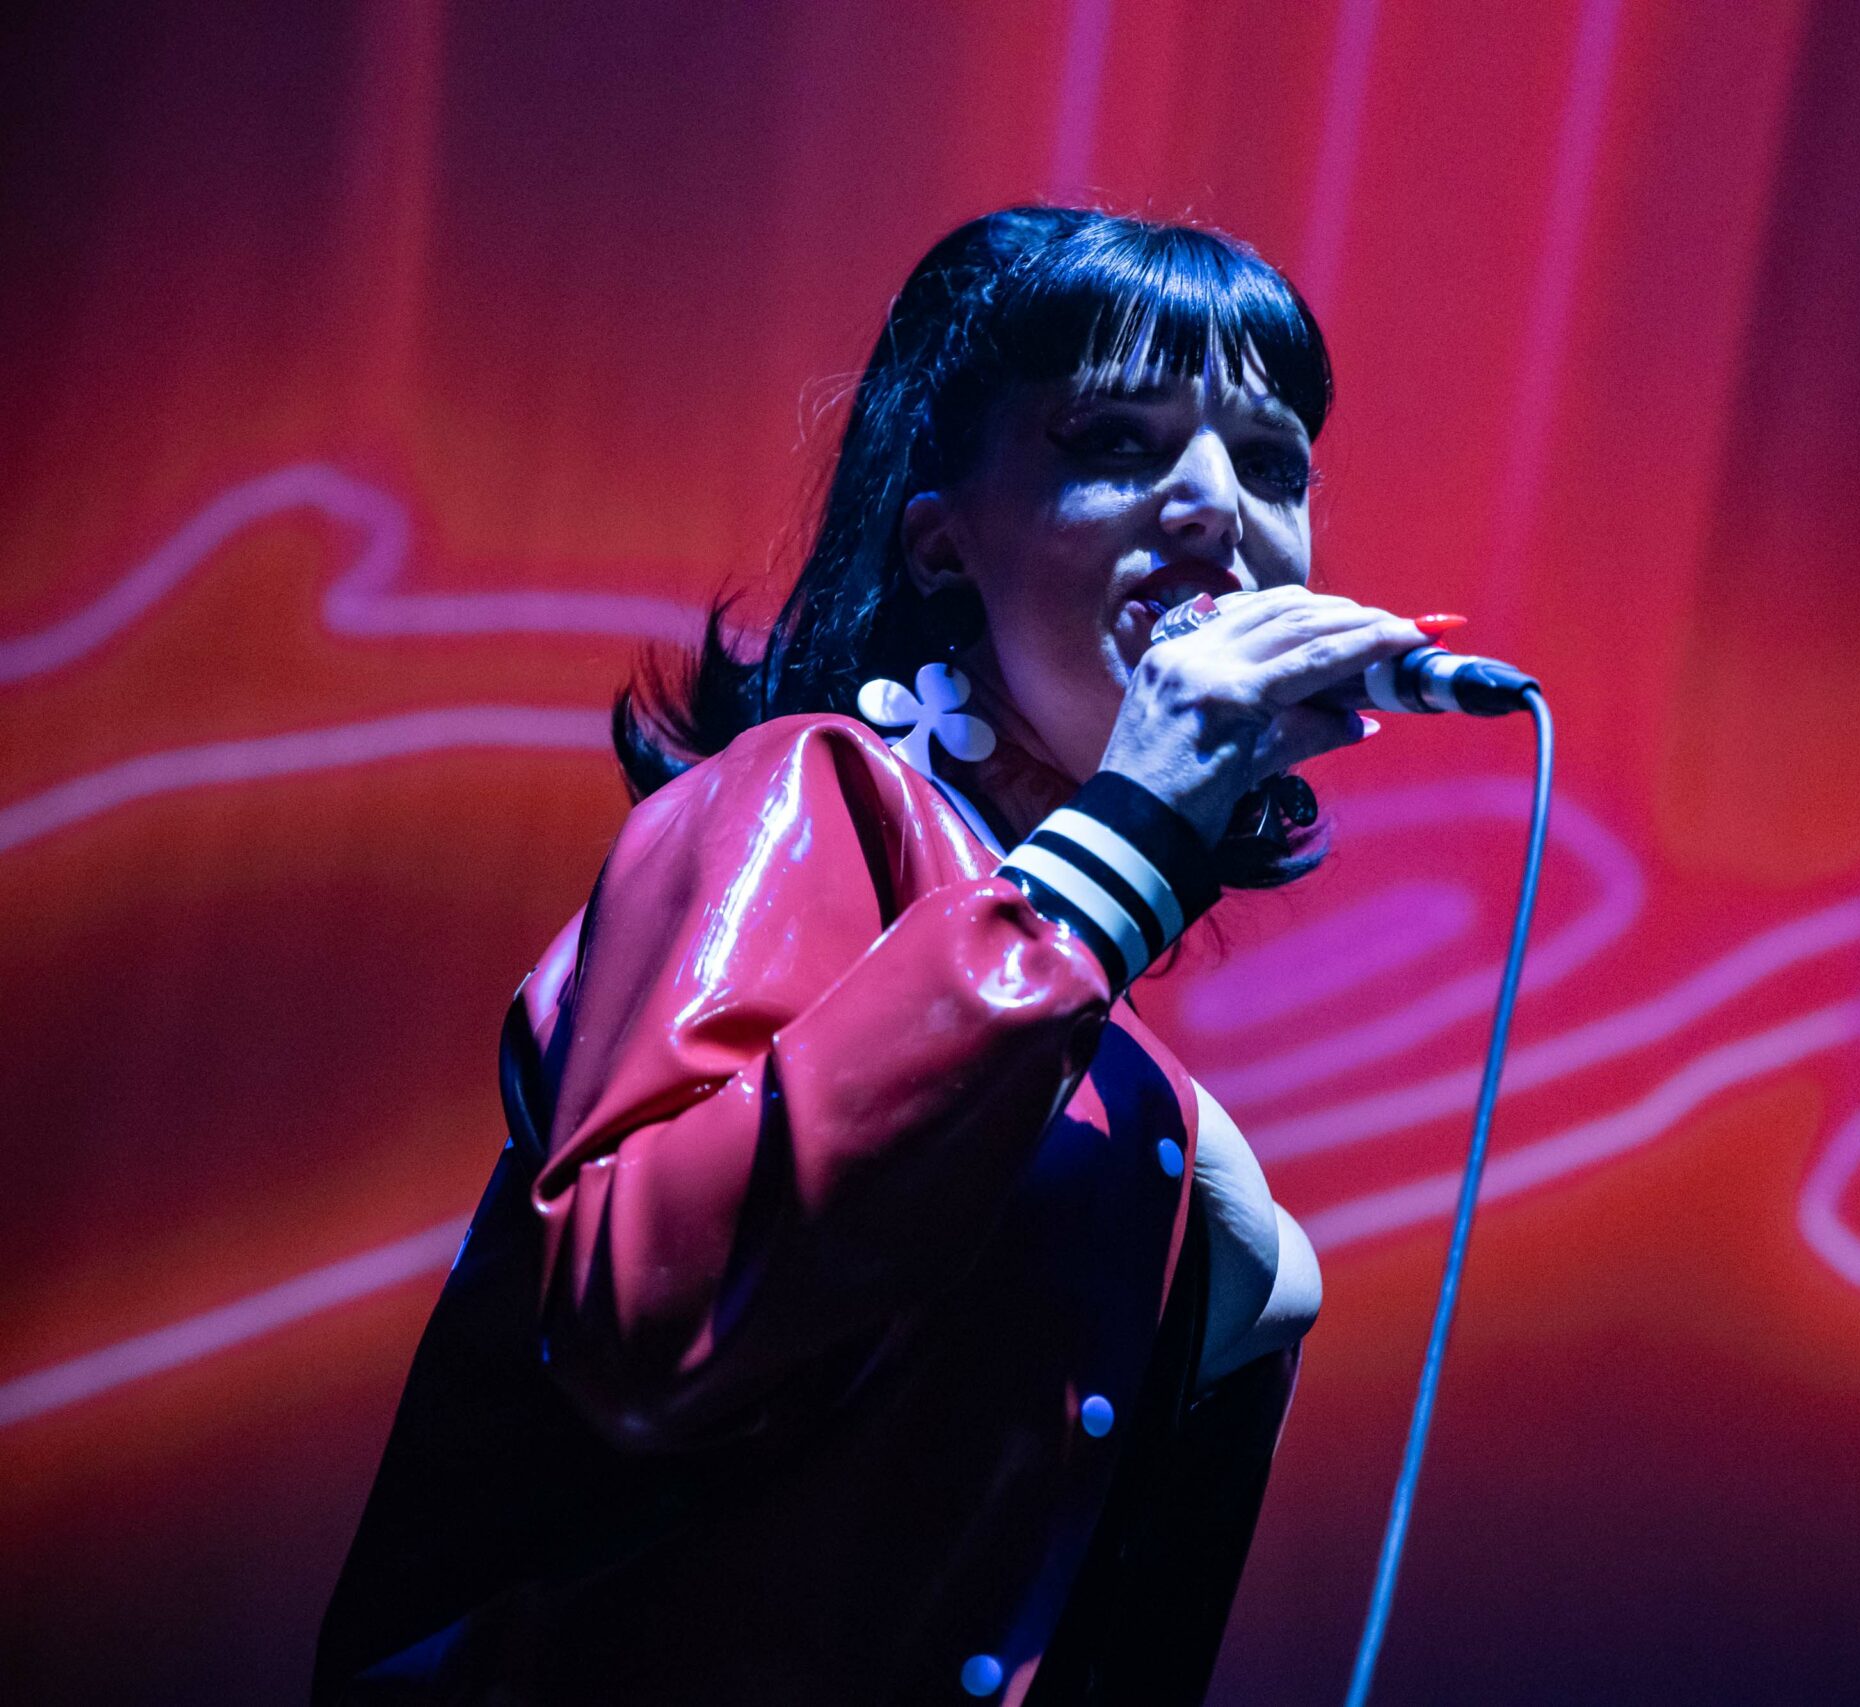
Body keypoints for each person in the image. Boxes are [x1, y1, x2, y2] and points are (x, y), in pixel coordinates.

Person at [314, 205, 1439, 1704]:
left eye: (1275, 463)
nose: (1215, 510)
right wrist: (1127, 839)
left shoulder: (1117, 1055)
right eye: (1117, 440)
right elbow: (650, 1318)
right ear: (939, 542)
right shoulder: (811, 795)